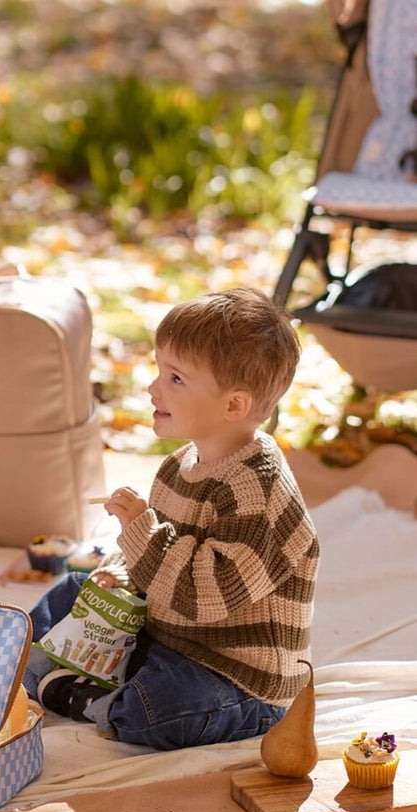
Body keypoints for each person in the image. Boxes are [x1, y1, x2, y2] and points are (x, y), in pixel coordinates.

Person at [23, 287, 319, 750]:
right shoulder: (177, 467)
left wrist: (141, 532)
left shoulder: (258, 497)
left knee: (159, 708)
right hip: (169, 636)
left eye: (176, 379)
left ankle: (91, 697)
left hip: (233, 672)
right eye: (160, 371)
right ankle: (33, 660)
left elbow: (204, 595)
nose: (153, 388)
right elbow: (146, 560)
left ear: (234, 406)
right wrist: (118, 575)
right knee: (72, 591)